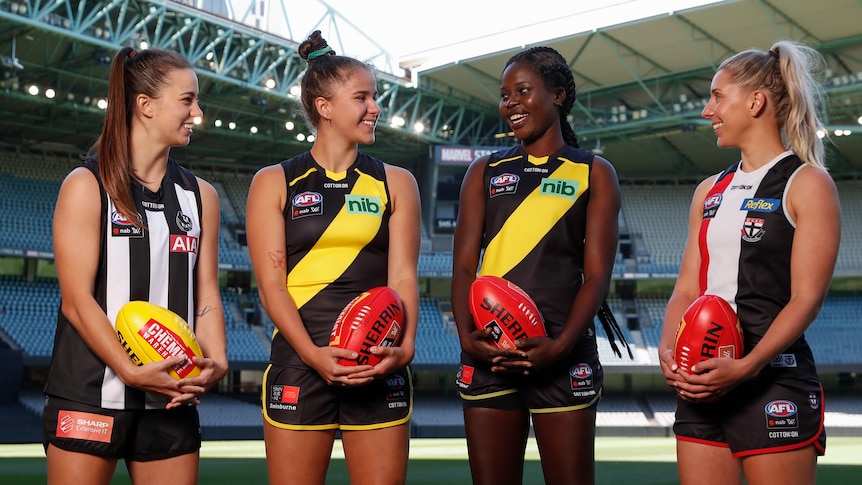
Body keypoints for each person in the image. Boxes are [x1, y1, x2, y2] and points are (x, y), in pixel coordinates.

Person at [44, 47, 228, 485]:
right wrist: (128, 371)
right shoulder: (86, 185)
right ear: (145, 105)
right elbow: (76, 300)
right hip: (90, 394)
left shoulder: (201, 196)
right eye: (187, 100)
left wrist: (217, 356)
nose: (197, 113)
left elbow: (206, 293)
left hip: (171, 400)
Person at [658, 40, 839, 485]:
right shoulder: (708, 190)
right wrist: (668, 353)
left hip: (773, 383)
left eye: (718, 96)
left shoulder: (807, 183)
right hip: (703, 383)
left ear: (756, 102)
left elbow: (807, 298)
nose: (707, 110)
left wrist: (746, 365)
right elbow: (687, 289)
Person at [245, 30, 420, 485]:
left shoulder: (397, 182)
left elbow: (403, 276)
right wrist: (314, 355)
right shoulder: (274, 180)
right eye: (362, 97)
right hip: (300, 367)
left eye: (375, 97)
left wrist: (406, 346)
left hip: (377, 365)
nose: (375, 107)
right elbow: (272, 285)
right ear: (324, 107)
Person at [451, 46, 630, 485]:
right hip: (489, 352)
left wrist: (562, 344)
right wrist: (467, 339)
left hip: (563, 355)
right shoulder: (484, 171)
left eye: (523, 90)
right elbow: (462, 270)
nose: (510, 102)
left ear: (559, 95)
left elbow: (597, 276)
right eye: (504, 94)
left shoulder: (594, 172)